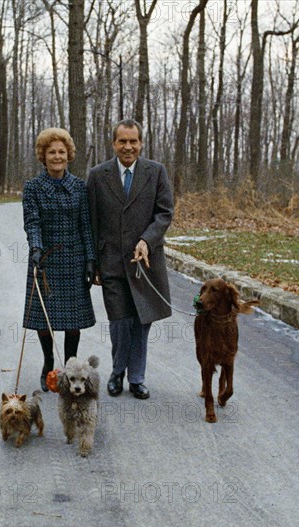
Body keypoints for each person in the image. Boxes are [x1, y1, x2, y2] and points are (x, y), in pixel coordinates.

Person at [87, 119, 173, 399]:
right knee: (119, 322)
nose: (128, 147)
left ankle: (137, 378)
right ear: (113, 144)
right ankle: (117, 373)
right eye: (122, 141)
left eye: (133, 141)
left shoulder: (156, 172)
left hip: (144, 264)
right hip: (110, 262)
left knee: (141, 320)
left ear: (141, 143)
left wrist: (147, 240)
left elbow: (164, 213)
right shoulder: (98, 175)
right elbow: (92, 221)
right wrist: (94, 263)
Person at [22, 128, 96, 392]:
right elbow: (32, 223)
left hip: (74, 260)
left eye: (61, 152)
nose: (56, 156)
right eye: (51, 152)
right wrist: (36, 249)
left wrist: (90, 260)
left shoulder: (79, 187)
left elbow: (86, 226)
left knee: (73, 321)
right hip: (45, 262)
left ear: (68, 155)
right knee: (44, 318)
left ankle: (68, 368)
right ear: (43, 156)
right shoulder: (32, 188)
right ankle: (48, 363)